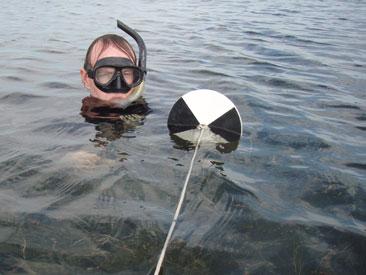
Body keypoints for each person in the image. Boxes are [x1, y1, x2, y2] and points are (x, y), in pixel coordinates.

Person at [80, 20, 150, 122]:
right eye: (105, 74)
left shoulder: (148, 116)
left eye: (126, 73)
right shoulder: (72, 127)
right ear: (86, 79)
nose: (118, 85)